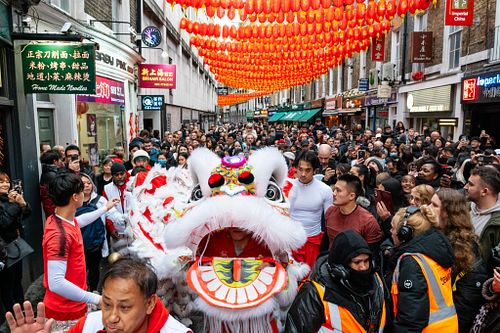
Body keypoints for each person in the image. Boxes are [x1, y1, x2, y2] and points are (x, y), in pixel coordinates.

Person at [5, 258, 191, 333]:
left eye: (125, 307)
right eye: (107, 304)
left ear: (149, 303)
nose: (111, 317)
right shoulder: (88, 325)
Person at [42, 172, 118, 322]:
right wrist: (96, 299)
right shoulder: (59, 235)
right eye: (82, 190)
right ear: (75, 197)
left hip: (73, 303)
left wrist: (105, 208)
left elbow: (79, 221)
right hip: (64, 311)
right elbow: (56, 283)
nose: (85, 193)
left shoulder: (61, 218)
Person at [285, 230, 387, 332]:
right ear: (340, 268)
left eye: (366, 261)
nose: (363, 267)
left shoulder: (376, 282)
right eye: (357, 262)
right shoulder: (314, 293)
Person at [389, 205, 458, 332]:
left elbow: (411, 319)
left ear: (405, 233)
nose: (391, 231)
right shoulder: (436, 252)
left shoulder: (412, 262)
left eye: (393, 228)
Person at [431, 188, 488, 332]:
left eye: (435, 205)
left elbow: (465, 303)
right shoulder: (431, 234)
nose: (427, 208)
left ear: (449, 213)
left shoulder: (464, 247)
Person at [289, 151, 333, 269]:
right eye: (300, 169)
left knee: (309, 278)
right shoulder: (287, 186)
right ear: (295, 168)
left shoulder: (325, 190)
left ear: (315, 170)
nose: (303, 174)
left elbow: (329, 218)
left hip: (313, 241)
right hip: (290, 240)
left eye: (307, 170)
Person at [324, 174, 383, 253]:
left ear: (351, 196)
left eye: (338, 190)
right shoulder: (330, 212)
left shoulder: (368, 221)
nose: (334, 193)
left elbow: (372, 253)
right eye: (334, 189)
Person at [0, 172, 31, 316]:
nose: (5, 184)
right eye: (1, 182)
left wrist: (22, 203)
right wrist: (13, 205)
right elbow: (3, 223)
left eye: (7, 181)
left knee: (17, 280)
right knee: (8, 285)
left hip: (16, 245)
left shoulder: (8, 198)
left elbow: (25, 214)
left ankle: (23, 313)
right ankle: (14, 318)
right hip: (3, 250)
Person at [465, 166, 500, 270]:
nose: (465, 187)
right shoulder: (464, 208)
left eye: (470, 184)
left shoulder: (497, 223)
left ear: (484, 191)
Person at [103, 163, 132, 252]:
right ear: (112, 176)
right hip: (117, 232)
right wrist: (111, 228)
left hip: (133, 231)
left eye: (121, 174)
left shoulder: (132, 185)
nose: (119, 177)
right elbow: (106, 210)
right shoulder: (107, 189)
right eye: (116, 175)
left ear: (125, 173)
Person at [39, 149, 64, 217]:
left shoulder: (47, 172)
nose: (61, 162)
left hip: (51, 207)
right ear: (55, 161)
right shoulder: (52, 175)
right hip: (54, 208)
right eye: (60, 160)